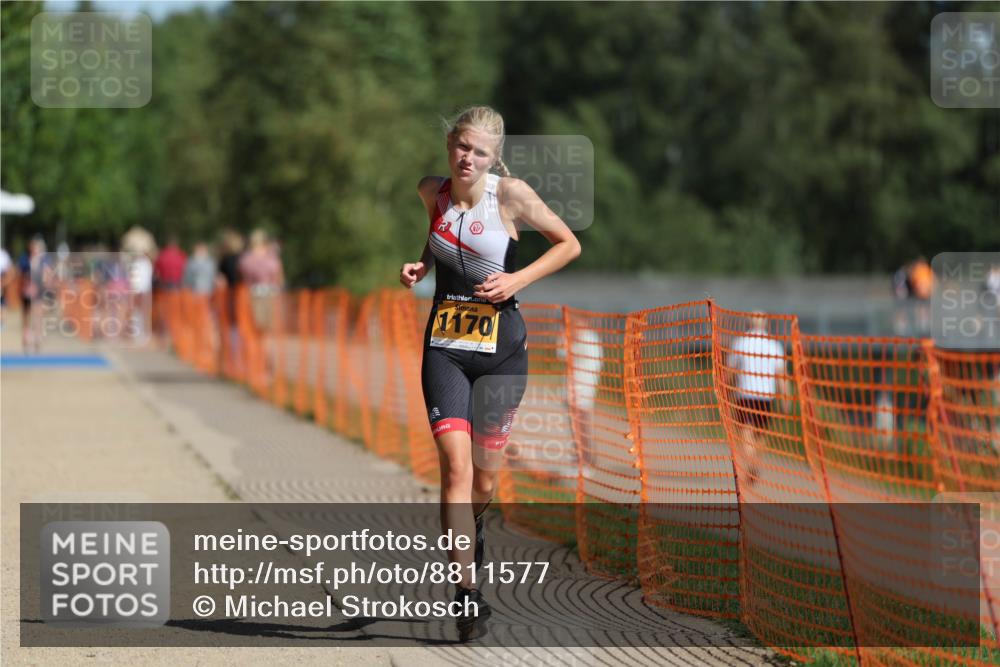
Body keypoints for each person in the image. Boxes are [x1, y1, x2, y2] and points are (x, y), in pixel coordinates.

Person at [399, 105, 581, 640]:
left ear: (494, 156)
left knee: (484, 475)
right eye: (461, 146)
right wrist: (423, 265)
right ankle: (467, 592)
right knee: (455, 468)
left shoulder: (512, 195)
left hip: (502, 352)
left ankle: (474, 527)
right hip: (445, 349)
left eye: (479, 150)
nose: (467, 157)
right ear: (449, 146)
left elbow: (569, 244)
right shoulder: (430, 191)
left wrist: (515, 279)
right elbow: (441, 237)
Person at [724, 312, 790, 487]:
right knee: (759, 434)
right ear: (766, 324)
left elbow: (730, 371)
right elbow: (782, 375)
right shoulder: (775, 346)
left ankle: (752, 463)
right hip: (766, 397)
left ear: (748, 322)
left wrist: (725, 390)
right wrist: (786, 399)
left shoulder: (741, 343)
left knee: (746, 431)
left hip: (744, 393)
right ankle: (754, 463)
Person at [18, 235, 53, 353]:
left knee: (38, 315)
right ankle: (26, 338)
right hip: (27, 291)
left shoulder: (44, 260)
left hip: (38, 291)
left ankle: (37, 339)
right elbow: (21, 274)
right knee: (27, 315)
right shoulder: (25, 259)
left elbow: (48, 275)